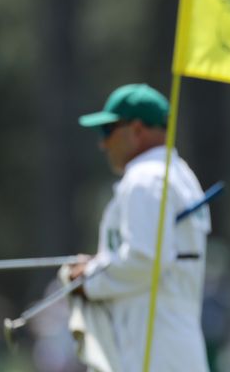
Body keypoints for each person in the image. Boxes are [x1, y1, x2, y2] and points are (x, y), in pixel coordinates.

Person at [66, 83, 212, 372]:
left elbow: (145, 259)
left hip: (152, 350)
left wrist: (88, 279)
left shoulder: (145, 179)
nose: (103, 143)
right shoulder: (180, 174)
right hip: (174, 344)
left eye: (107, 131)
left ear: (136, 130)